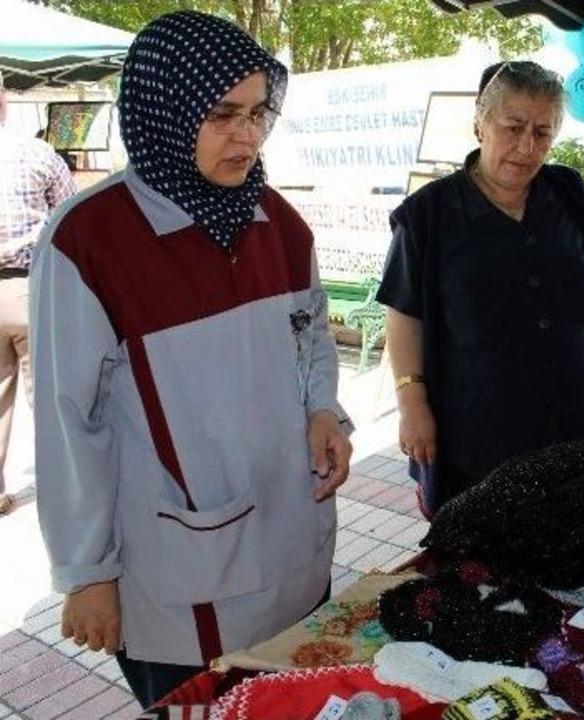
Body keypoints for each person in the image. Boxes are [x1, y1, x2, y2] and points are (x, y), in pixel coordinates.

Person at [30, 11, 352, 707]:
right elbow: (66, 420)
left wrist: (324, 408)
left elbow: (312, 334)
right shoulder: (89, 241)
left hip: (294, 546)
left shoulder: (277, 222)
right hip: (183, 577)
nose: (248, 134)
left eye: (260, 112)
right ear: (164, 110)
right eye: (223, 114)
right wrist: (87, 572)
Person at [377, 60, 584, 515]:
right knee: (482, 555)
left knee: (577, 541)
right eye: (514, 126)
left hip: (577, 414)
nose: (526, 147)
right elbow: (404, 313)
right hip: (480, 432)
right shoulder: (429, 215)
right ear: (481, 122)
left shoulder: (569, 193)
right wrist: (411, 402)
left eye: (543, 133)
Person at [0, 73, 76, 516]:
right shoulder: (37, 152)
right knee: (47, 394)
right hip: (32, 288)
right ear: (4, 102)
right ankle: (62, 487)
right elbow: (69, 216)